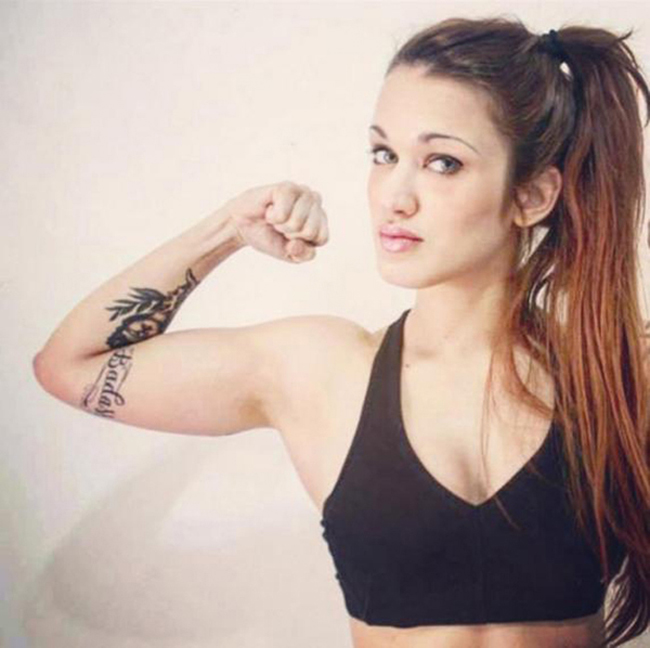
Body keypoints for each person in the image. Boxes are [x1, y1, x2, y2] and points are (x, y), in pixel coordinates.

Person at [32, 15, 650, 648]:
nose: (394, 197)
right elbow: (70, 366)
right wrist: (227, 230)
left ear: (532, 195)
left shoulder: (617, 374)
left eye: (442, 162)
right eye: (384, 155)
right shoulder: (321, 371)